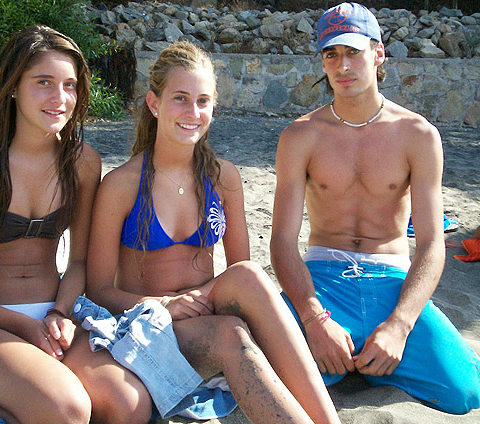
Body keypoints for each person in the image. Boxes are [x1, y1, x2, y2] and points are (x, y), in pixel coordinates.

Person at [64, 40, 341, 424]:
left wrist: (201, 297)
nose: (193, 112)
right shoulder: (122, 185)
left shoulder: (223, 177)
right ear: (154, 103)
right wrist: (164, 304)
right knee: (231, 334)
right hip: (147, 324)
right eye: (180, 98)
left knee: (249, 276)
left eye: (203, 101)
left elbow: (242, 276)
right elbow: (98, 291)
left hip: (205, 310)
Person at [270, 2, 480, 415]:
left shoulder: (417, 134)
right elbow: (282, 240)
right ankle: (363, 360)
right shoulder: (300, 136)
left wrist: (400, 324)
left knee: (466, 393)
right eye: (331, 54)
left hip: (392, 281)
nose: (342, 66)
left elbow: (431, 243)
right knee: (257, 374)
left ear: (378, 53)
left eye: (353, 52)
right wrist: (315, 320)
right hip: (323, 281)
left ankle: (371, 358)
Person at [0, 25, 146, 424]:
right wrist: (19, 324)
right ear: (13, 87)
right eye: (44, 83)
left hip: (52, 316)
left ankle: (12, 401)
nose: (60, 98)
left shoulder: (82, 163)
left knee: (130, 405)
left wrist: (60, 312)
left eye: (70, 86)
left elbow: (78, 262)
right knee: (69, 409)